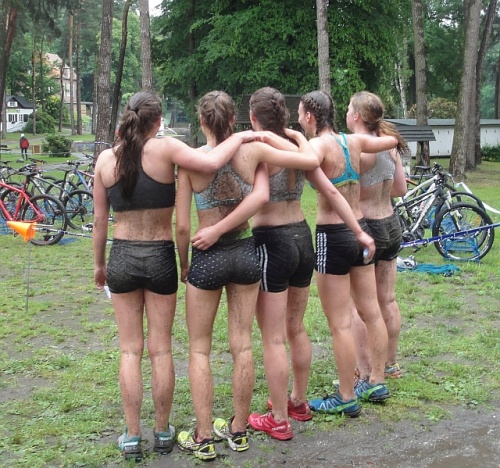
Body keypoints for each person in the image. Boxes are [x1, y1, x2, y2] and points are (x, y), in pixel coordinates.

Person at [92, 91, 264, 461]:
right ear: (158, 121)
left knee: (129, 349)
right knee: (161, 348)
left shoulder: (105, 159)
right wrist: (241, 134)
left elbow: (99, 221)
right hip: (159, 256)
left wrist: (99, 265)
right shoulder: (167, 149)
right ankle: (162, 431)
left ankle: (132, 435)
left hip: (122, 255)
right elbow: (213, 160)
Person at [175, 90, 319, 460]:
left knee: (199, 349)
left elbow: (182, 226)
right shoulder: (252, 151)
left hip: (207, 256)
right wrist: (294, 135)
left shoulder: (191, 160)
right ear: (232, 119)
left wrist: (184, 262)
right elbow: (288, 174)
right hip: (245, 253)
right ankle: (239, 430)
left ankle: (203, 434)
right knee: (242, 345)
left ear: (203, 121)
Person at [243, 87, 375, 441]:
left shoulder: (260, 147)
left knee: (273, 337)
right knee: (296, 327)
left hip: (272, 241)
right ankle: (298, 401)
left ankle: (279, 417)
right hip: (302, 237)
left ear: (254, 118)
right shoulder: (300, 147)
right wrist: (359, 231)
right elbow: (331, 190)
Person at [298, 90, 398, 415]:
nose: (298, 120)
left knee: (340, 323)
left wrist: (290, 140)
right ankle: (377, 380)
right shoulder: (352, 141)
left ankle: (345, 396)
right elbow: (389, 141)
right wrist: (382, 129)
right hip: (361, 228)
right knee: (371, 311)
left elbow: (316, 177)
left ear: (310, 116)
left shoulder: (317, 146)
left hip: (333, 235)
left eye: (299, 114)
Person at [346, 91, 408, 381]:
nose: (346, 113)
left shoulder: (359, 150)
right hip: (391, 223)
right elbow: (400, 189)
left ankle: (366, 370)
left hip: (368, 227)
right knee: (387, 300)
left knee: (360, 306)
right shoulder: (389, 146)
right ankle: (390, 364)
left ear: (357, 116)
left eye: (349, 109)